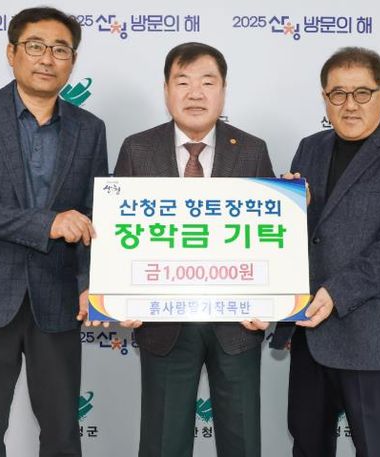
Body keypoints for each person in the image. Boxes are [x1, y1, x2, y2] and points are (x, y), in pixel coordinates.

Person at [0, 7, 108, 456]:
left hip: (58, 297)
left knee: (62, 435)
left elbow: (92, 215)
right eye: (35, 46)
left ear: (72, 61)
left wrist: (88, 282)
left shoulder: (90, 129)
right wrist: (47, 222)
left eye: (60, 50)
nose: (47, 59)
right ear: (11, 52)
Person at [270, 47, 380, 457]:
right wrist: (288, 208)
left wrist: (336, 292)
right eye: (338, 94)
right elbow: (301, 237)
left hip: (370, 335)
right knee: (307, 443)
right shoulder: (310, 147)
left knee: (374, 447)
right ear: (324, 98)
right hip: (309, 329)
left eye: (362, 92)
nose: (350, 104)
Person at [113, 42, 275, 457]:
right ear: (166, 91)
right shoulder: (137, 149)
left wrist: (269, 301)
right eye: (183, 82)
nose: (195, 93)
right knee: (163, 443)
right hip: (163, 325)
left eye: (208, 82)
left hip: (237, 327)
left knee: (242, 442)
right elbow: (117, 234)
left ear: (223, 91)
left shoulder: (252, 150)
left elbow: (269, 240)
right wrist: (120, 295)